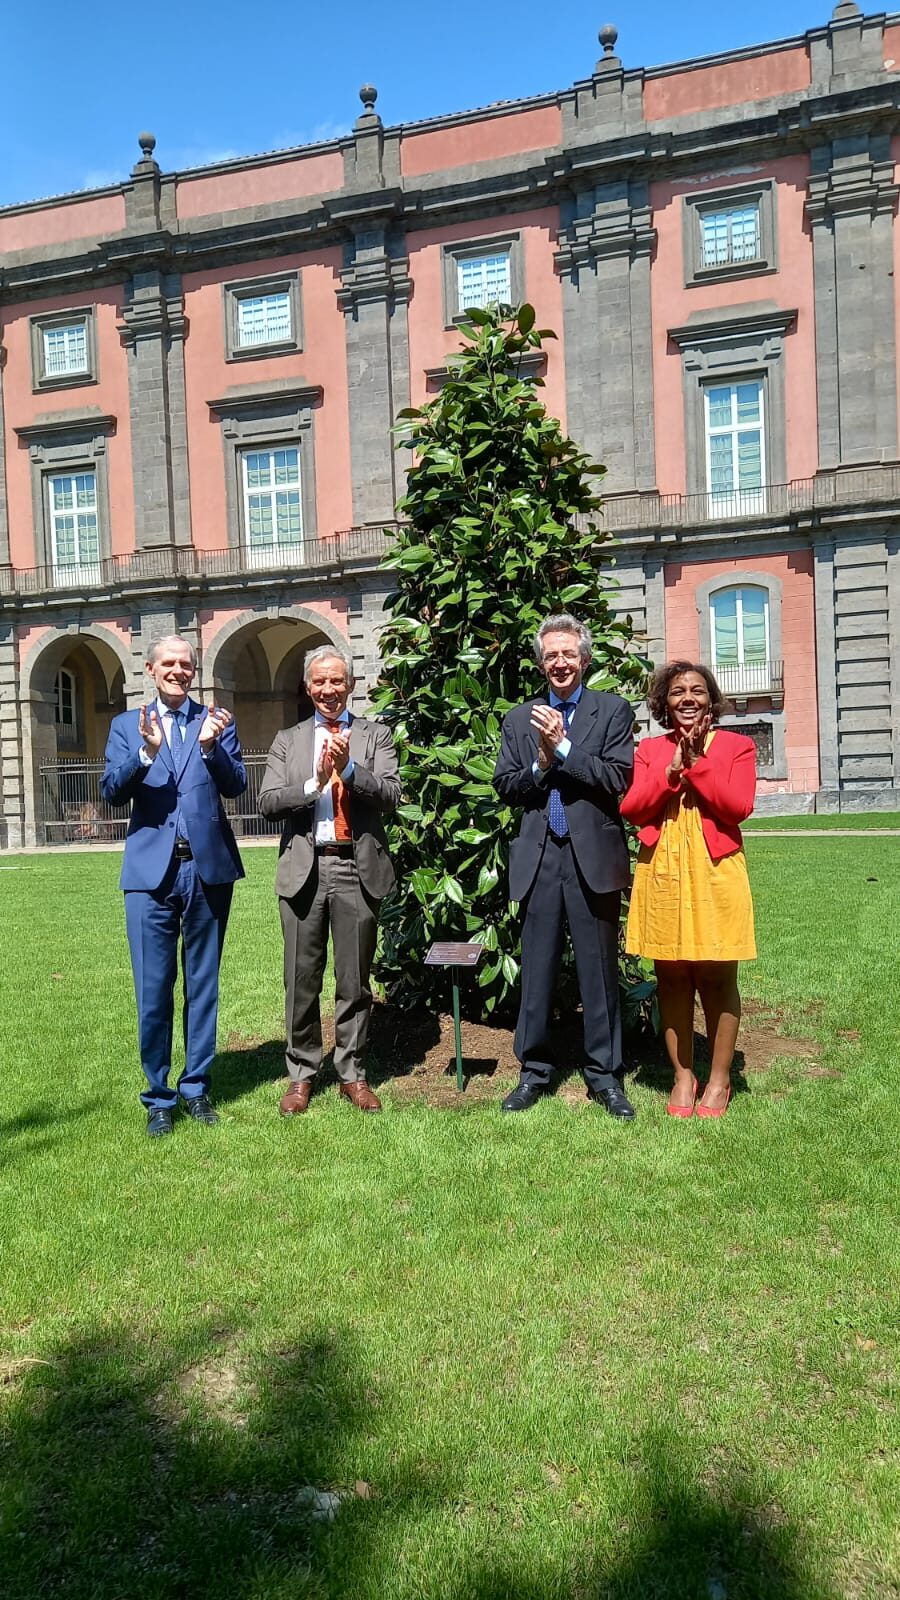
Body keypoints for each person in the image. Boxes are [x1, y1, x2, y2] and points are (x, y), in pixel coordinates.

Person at [100, 636, 246, 1136]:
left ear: (194, 670)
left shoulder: (216, 721)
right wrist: (145, 753)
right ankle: (158, 1097)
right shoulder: (128, 725)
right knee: (153, 989)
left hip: (207, 870)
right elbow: (111, 792)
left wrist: (210, 748)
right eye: (168, 663)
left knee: (203, 985)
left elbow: (237, 785)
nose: (178, 671)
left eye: (186, 664)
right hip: (149, 876)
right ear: (150, 669)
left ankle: (196, 1088)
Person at [493, 614, 636, 1116]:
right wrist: (540, 763)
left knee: (599, 970)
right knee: (537, 970)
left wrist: (565, 748)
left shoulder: (611, 711)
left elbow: (617, 779)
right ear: (540, 663)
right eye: (550, 655)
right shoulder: (519, 719)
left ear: (585, 659)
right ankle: (533, 1073)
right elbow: (506, 786)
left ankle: (605, 1076)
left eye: (568, 654)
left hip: (590, 856)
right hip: (540, 856)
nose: (559, 663)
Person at [258, 646, 400, 1114]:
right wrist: (315, 782)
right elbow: (268, 802)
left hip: (357, 867)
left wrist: (349, 770)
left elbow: (391, 794)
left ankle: (352, 1073)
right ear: (307, 686)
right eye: (319, 681)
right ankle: (301, 1073)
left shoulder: (375, 735)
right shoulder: (288, 740)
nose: (328, 689)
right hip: (305, 868)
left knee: (354, 981)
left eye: (337, 680)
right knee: (301, 979)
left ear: (351, 685)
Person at [620, 661, 756, 1119]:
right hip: (662, 869)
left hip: (716, 870)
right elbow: (632, 808)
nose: (688, 699)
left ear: (710, 699)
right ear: (665, 702)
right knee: (672, 977)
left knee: (718, 977)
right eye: (677, 691)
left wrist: (696, 767)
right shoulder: (650, 749)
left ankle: (718, 1080)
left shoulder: (737, 746)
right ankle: (683, 1076)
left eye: (697, 690)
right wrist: (670, 773)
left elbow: (737, 807)